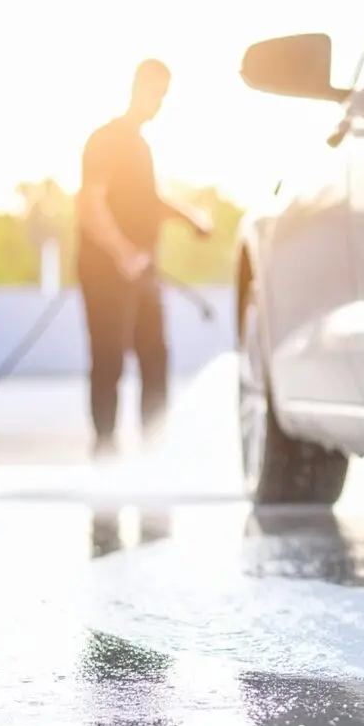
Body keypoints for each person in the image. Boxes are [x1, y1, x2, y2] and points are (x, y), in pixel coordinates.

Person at [76, 58, 211, 460]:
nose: (160, 103)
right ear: (138, 86)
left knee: (155, 355)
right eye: (157, 92)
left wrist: (190, 218)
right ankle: (104, 450)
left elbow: (149, 201)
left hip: (142, 271)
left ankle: (154, 449)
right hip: (106, 271)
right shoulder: (105, 139)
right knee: (109, 357)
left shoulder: (141, 145)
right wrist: (123, 253)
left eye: (165, 95)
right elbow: (90, 203)